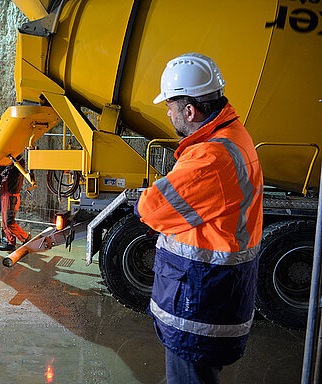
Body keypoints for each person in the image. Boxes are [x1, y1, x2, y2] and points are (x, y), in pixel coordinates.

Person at [134, 53, 263, 384]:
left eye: (170, 105)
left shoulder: (210, 158)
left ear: (189, 110)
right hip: (216, 293)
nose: (166, 111)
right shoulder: (233, 135)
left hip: (199, 298)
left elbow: (151, 208)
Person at [0, 156, 31, 251]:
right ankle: (10, 243)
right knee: (4, 221)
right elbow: (3, 180)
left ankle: (25, 238)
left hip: (11, 197)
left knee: (9, 222)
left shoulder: (17, 168)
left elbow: (11, 179)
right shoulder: (9, 167)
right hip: (5, 196)